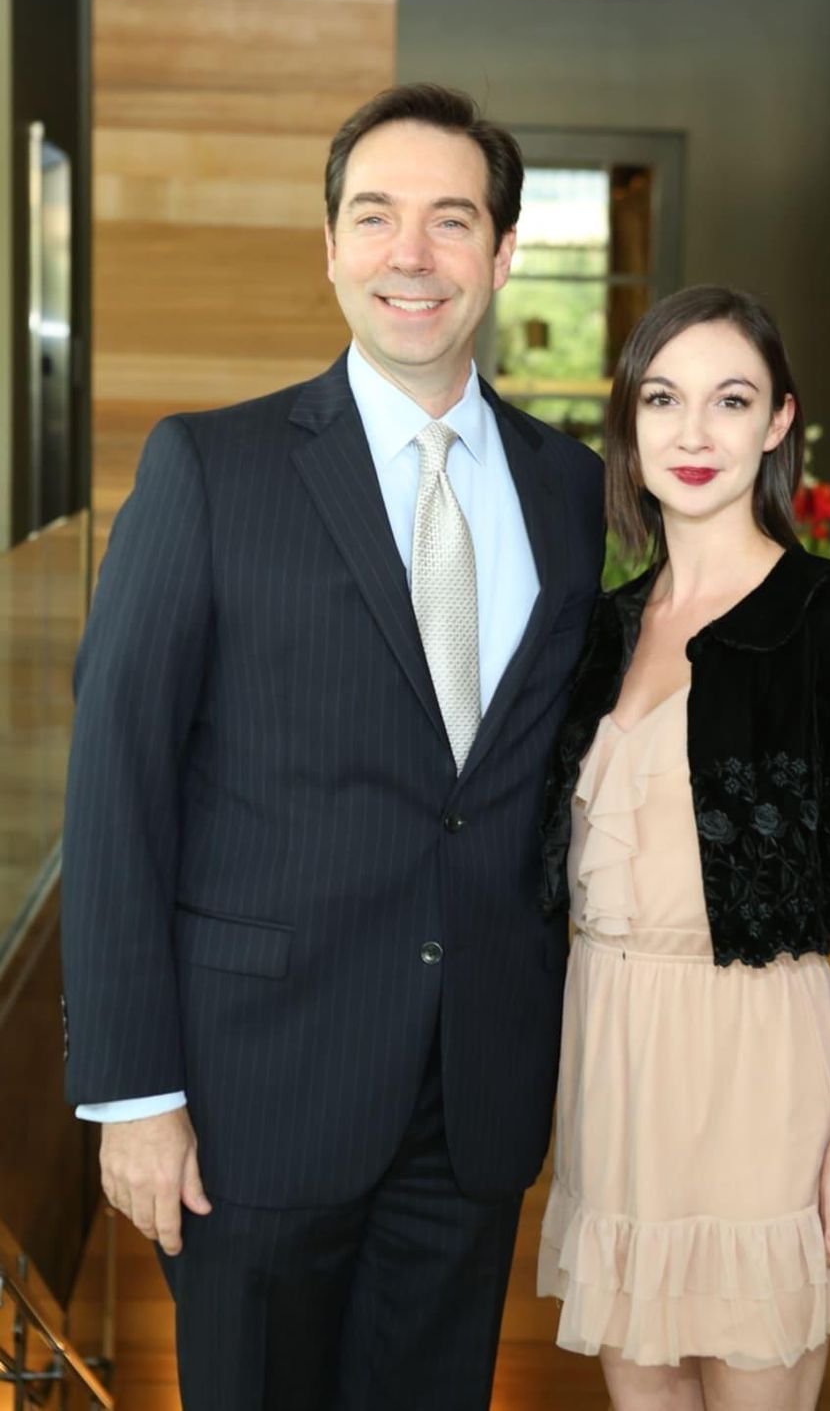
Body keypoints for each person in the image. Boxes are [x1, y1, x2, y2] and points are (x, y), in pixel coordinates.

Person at [60, 83, 605, 1411]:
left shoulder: (568, 484)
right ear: (330, 246)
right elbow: (117, 785)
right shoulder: (210, 468)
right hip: (257, 1094)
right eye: (375, 216)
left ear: (502, 251)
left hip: (472, 1097)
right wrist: (133, 1091)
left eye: (450, 219)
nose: (410, 253)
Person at [536, 284, 830, 1410]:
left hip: (759, 1054)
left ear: (777, 422)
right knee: (641, 1390)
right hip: (612, 1053)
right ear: (627, 425)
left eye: (728, 401)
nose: (693, 434)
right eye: (664, 400)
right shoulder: (603, 628)